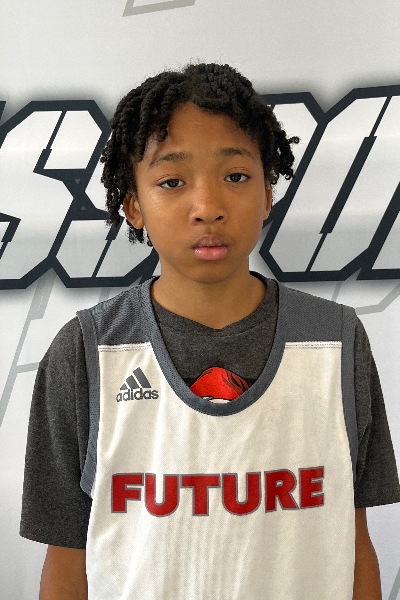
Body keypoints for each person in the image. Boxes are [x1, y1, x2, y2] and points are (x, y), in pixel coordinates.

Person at [20, 62, 400, 600]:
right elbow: (66, 562)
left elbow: (354, 543)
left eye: (236, 176)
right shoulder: (85, 352)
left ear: (268, 194)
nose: (208, 208)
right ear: (134, 205)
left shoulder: (335, 340)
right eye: (172, 182)